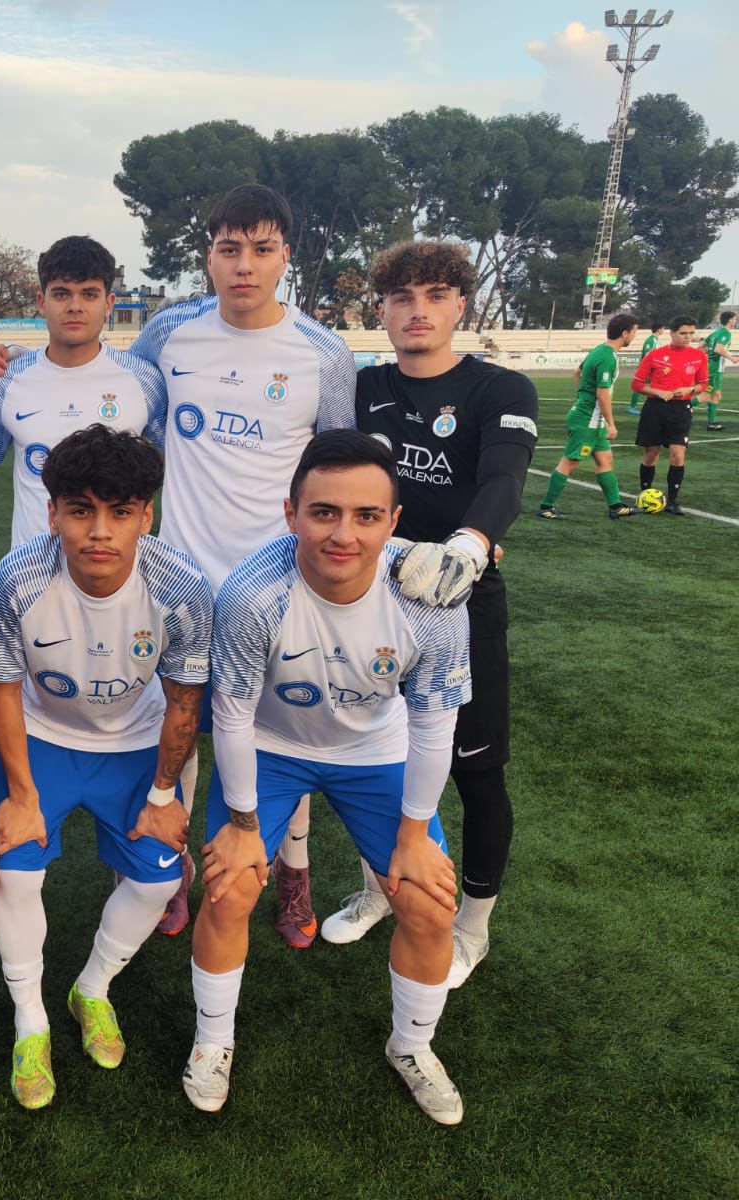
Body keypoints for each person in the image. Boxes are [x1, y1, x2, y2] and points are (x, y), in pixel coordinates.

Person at [183, 429, 471, 1126]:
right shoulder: (252, 593)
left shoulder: (429, 598)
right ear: (292, 514)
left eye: (366, 515)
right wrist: (244, 827)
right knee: (228, 888)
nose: (344, 534)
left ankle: (413, 1046)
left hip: (376, 750)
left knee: (428, 901)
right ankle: (213, 1041)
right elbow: (232, 716)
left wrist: (412, 838)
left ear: (393, 521)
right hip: (272, 746)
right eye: (324, 513)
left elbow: (435, 727)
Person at [131, 183, 357, 942]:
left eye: (262, 250)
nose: (244, 265)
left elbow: (337, 468)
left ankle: (293, 869)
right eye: (230, 249)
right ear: (209, 255)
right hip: (181, 577)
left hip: (278, 581)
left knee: (281, 731)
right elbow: (136, 425)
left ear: (285, 256)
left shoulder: (323, 352)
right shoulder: (167, 334)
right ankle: (173, 867)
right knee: (179, 722)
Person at [326, 240, 538, 995]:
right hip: (370, 600)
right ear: (381, 310)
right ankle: (378, 890)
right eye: (402, 297)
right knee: (372, 758)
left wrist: (469, 547)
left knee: (476, 773)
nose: (418, 311)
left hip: (460, 599)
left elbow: (504, 479)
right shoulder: (361, 387)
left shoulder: (500, 387)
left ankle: (472, 928)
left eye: (436, 295)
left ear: (461, 306)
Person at [0, 426, 210, 1109]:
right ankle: (31, 1022)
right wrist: (20, 792)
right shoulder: (17, 579)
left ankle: (92, 989)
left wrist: (164, 795)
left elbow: (184, 702)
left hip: (135, 747)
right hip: (42, 741)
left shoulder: (181, 587)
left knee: (157, 881)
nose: (100, 531)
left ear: (147, 516)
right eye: (81, 510)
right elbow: (1, 690)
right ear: (53, 512)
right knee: (15, 873)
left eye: (120, 511)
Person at [0, 235, 166, 547]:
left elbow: (180, 463)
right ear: (42, 302)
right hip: (32, 569)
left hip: (112, 567)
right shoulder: (7, 379)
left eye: (89, 294)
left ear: (109, 303)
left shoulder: (144, 380)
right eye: (61, 294)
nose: (75, 307)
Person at [536, 312, 640, 520]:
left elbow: (577, 373)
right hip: (588, 420)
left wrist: (583, 397)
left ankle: (615, 506)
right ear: (625, 333)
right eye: (634, 332)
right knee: (569, 462)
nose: (635, 336)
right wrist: (611, 423)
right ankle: (545, 507)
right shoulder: (607, 357)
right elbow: (602, 394)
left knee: (605, 460)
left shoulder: (599, 350)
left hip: (592, 419)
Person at [631, 315, 708, 517]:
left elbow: (703, 384)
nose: (688, 337)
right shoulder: (655, 355)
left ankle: (672, 501)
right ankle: (645, 496)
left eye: (691, 333)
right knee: (651, 454)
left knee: (677, 454)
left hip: (681, 409)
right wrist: (657, 392)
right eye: (683, 333)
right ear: (672, 333)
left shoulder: (699, 356)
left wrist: (689, 389)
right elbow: (637, 384)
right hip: (655, 408)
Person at [700, 311, 734, 432]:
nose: (735, 321)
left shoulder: (715, 333)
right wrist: (732, 358)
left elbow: (701, 346)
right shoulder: (726, 333)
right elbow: (718, 349)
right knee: (707, 395)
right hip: (715, 370)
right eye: (734, 319)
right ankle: (682, 408)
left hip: (712, 367)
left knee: (715, 395)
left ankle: (712, 423)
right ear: (729, 320)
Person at [627, 324, 665, 416]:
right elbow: (647, 355)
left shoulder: (657, 340)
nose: (664, 330)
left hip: (654, 368)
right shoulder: (651, 340)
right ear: (658, 329)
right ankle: (632, 407)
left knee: (656, 386)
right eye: (663, 328)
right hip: (648, 368)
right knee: (640, 386)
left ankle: (655, 406)